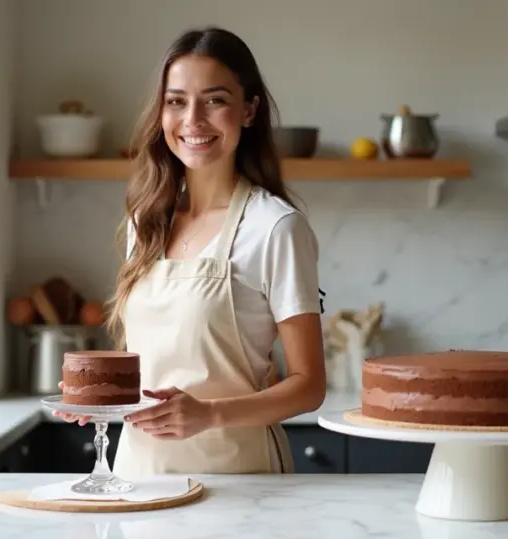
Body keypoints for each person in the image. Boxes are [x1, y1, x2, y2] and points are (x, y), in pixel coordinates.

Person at [55, 26, 326, 475]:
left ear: (249, 110)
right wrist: (99, 393)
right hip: (140, 473)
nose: (193, 120)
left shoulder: (276, 228)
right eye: (176, 101)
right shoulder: (146, 221)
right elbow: (158, 356)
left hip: (239, 479)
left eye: (215, 100)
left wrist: (209, 414)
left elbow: (309, 385)